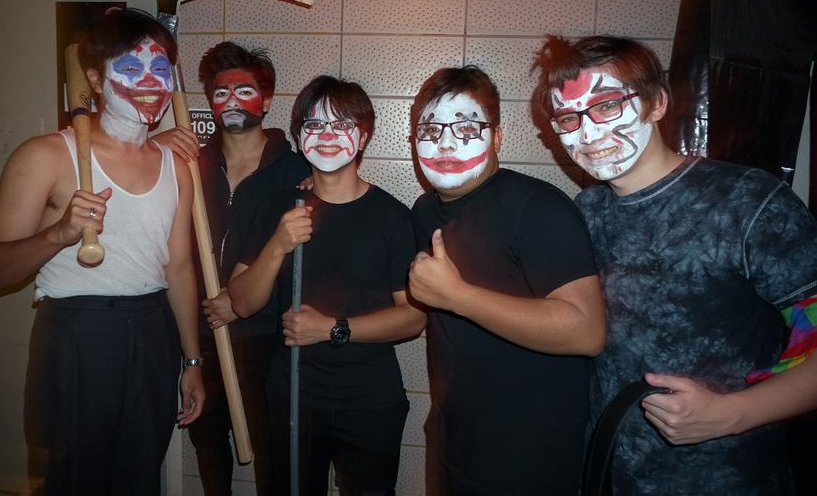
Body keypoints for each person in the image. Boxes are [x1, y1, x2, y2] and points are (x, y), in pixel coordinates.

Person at [531, 34, 817, 495]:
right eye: (567, 118)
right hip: (609, 472)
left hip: (729, 478)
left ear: (657, 103)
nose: (587, 133)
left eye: (606, 106)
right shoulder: (585, 213)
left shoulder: (746, 203)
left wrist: (730, 413)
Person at [0, 8, 205, 496]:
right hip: (78, 332)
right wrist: (58, 234)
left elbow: (179, 268)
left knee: (140, 477)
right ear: (95, 79)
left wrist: (192, 362)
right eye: (130, 67)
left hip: (152, 331)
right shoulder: (45, 156)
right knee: (73, 480)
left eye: (161, 70)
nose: (149, 82)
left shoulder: (176, 165)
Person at [406, 65, 605, 495]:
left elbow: (586, 330)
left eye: (465, 127)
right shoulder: (424, 211)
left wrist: (457, 296)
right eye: (430, 129)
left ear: (497, 137)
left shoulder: (538, 208)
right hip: (453, 437)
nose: (445, 142)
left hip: (528, 455)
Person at [228, 75, 426, 495]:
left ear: (364, 134)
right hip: (293, 395)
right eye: (314, 126)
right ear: (299, 138)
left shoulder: (392, 217)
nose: (328, 136)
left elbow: (412, 319)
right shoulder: (276, 208)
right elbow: (242, 303)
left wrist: (333, 327)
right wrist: (278, 245)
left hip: (370, 399)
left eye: (341, 125)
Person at [153, 41, 308, 495]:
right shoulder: (189, 164)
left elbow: (300, 254)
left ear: (267, 98)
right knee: (209, 451)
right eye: (221, 93)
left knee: (272, 457)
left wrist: (237, 304)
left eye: (245, 90)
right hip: (197, 333)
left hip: (266, 339)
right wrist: (155, 145)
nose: (233, 102)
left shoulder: (297, 170)